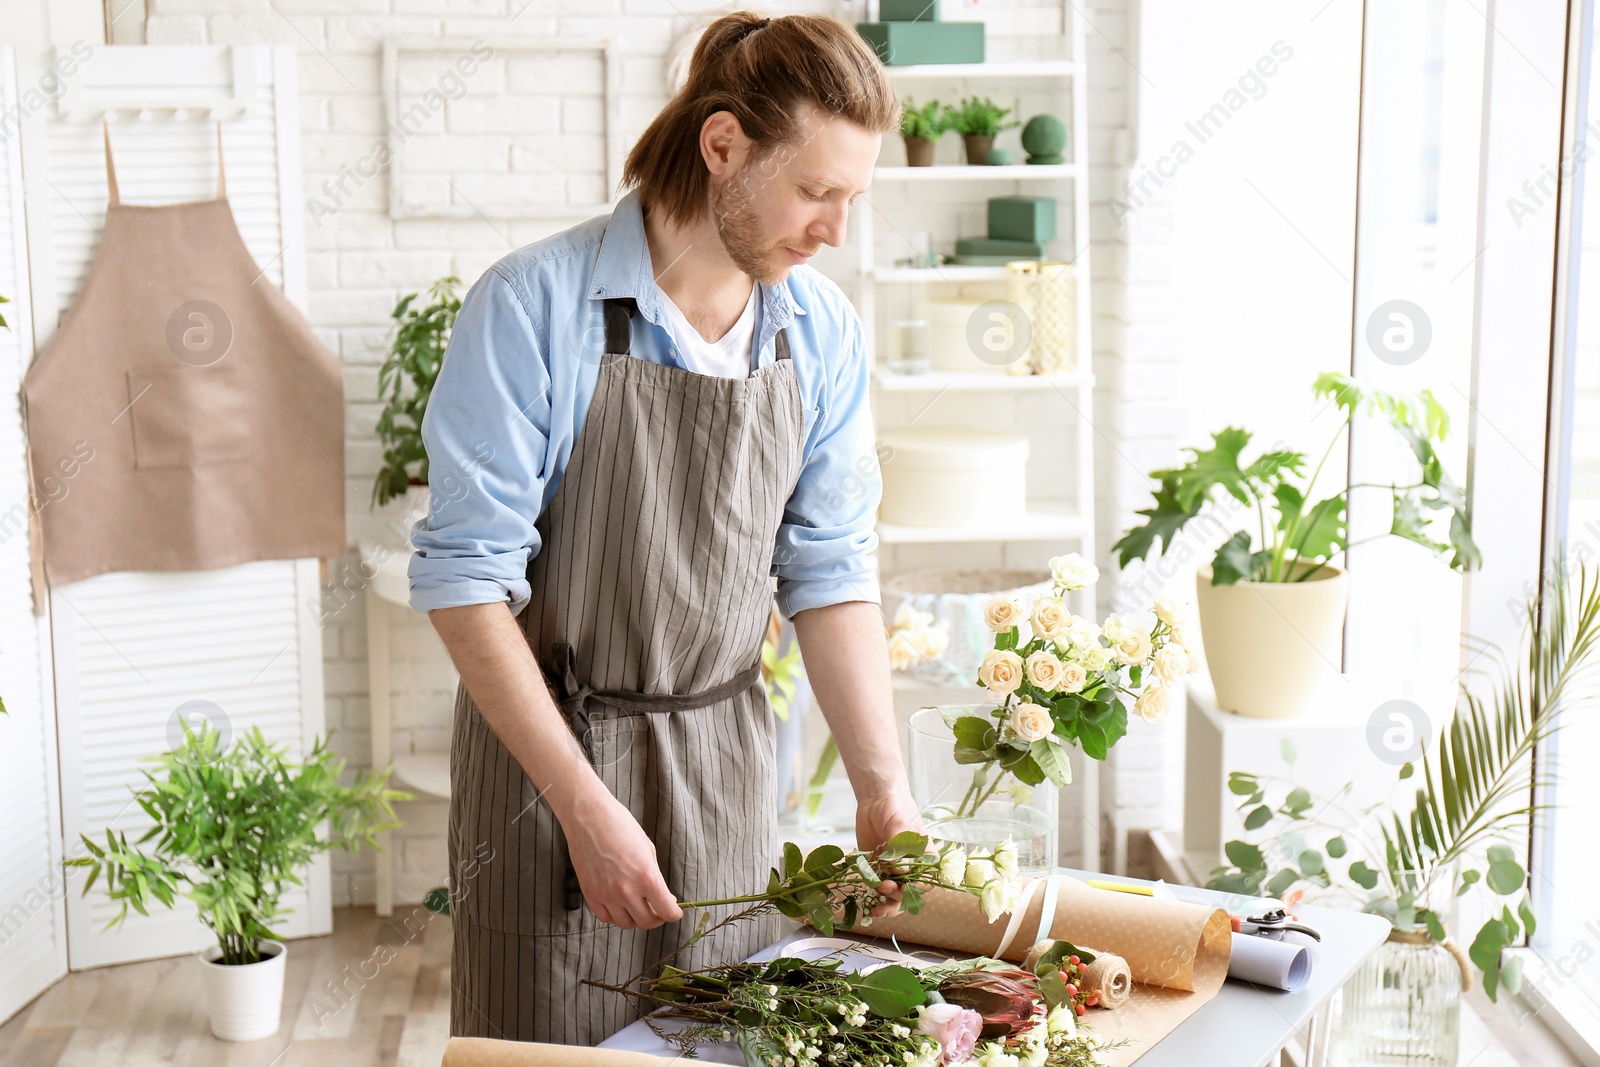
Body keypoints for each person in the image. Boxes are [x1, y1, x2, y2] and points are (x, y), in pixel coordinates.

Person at [408, 10, 924, 1046]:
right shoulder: (530, 307)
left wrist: (885, 790)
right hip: (550, 773)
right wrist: (582, 806)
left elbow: (827, 569)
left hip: (729, 763)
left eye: (851, 199)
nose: (833, 230)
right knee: (546, 1040)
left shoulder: (817, 330)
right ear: (723, 146)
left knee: (725, 1037)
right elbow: (466, 583)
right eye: (815, 191)